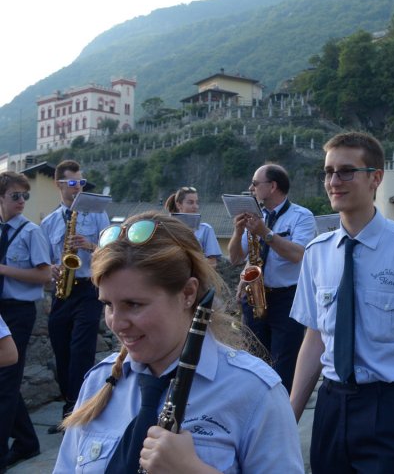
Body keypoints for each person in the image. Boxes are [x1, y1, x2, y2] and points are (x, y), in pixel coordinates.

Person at [54, 212, 303, 473]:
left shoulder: (255, 391)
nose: (116, 323)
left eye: (134, 304)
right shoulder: (99, 381)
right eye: (108, 305)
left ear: (188, 293)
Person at [290, 132, 394, 474]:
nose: (333, 181)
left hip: (388, 407)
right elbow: (315, 339)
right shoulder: (317, 253)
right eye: (328, 172)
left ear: (376, 178)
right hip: (330, 406)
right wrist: (285, 418)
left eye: (346, 171)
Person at [228, 163, 315, 394]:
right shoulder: (254, 217)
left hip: (286, 300)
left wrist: (265, 233)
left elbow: (299, 255)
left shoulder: (301, 216)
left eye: (255, 184)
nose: (251, 188)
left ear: (273, 186)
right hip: (255, 298)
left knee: (283, 366)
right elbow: (235, 257)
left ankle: (282, 416)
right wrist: (238, 232)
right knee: (253, 363)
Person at [41, 160, 110, 433]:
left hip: (89, 288)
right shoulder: (47, 222)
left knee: (82, 348)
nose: (78, 187)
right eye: (72, 183)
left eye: (81, 182)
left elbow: (111, 250)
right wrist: (52, 268)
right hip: (63, 291)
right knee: (61, 349)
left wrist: (89, 245)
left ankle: (76, 410)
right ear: (59, 185)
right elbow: (44, 261)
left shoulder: (97, 215)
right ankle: (69, 404)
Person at [0, 172, 51, 471]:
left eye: (25, 196)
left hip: (18, 311)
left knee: (6, 380)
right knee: (7, 380)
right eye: (15, 196)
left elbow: (44, 275)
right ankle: (27, 442)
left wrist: (4, 270)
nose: (22, 201)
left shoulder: (31, 232)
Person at [164, 186, 222, 267]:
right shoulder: (166, 228)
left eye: (196, 202)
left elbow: (212, 263)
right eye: (190, 202)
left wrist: (192, 262)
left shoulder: (205, 229)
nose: (195, 206)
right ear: (179, 205)